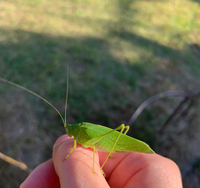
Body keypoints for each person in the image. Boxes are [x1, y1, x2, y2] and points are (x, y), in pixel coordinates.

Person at [20, 135, 183, 188]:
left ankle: (100, 164)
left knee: (77, 155)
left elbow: (77, 145)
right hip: (101, 143)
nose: (67, 130)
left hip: (100, 139)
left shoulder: (78, 134)